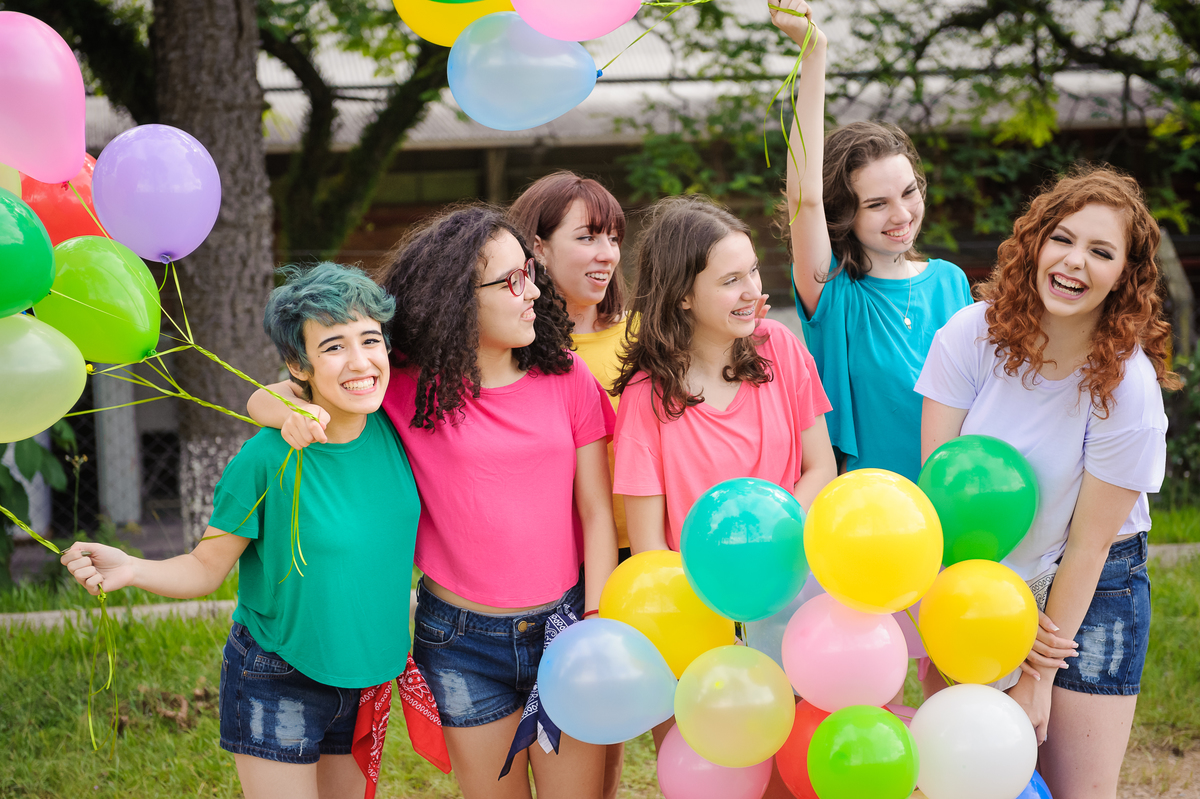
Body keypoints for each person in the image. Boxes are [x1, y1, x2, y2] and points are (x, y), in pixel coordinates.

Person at [247, 206, 618, 799]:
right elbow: (270, 394)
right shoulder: (402, 386)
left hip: (568, 626)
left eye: (531, 274)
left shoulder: (568, 376)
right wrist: (292, 412)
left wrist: (597, 624)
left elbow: (596, 512)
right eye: (509, 281)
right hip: (461, 642)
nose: (532, 291)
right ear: (456, 299)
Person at [61, 263, 419, 799]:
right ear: (298, 364)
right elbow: (207, 567)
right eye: (334, 347)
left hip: (364, 676)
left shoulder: (400, 427)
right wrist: (133, 568)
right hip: (280, 674)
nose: (360, 361)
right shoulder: (264, 457)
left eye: (370, 340)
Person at [916, 165, 1177, 799]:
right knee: (969, 780)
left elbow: (1087, 548)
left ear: (1125, 277)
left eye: (1101, 251)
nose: (1074, 262)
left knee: (1076, 791)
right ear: (1036, 242)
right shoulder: (970, 335)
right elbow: (938, 502)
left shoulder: (1127, 386)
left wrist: (1036, 677)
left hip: (1093, 590)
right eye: (1063, 239)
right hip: (981, 577)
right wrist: (969, 616)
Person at [611, 196, 837, 795]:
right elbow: (651, 543)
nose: (751, 292)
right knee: (720, 772)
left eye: (753, 274)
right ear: (684, 294)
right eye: (730, 280)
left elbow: (822, 468)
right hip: (699, 619)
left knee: (795, 770)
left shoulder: (780, 348)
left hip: (792, 593)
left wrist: (771, 541)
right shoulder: (645, 396)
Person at [774, 0, 973, 482]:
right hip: (869, 524)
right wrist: (814, 52)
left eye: (909, 192)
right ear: (845, 211)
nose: (902, 214)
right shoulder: (835, 293)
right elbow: (805, 199)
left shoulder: (952, 283)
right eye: (877, 204)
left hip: (957, 511)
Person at [508, 171, 631, 799]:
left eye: (611, 237)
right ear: (536, 248)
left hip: (632, 558)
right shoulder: (510, 347)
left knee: (599, 738)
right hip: (544, 566)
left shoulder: (640, 338)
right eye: (586, 237)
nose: (606, 253)